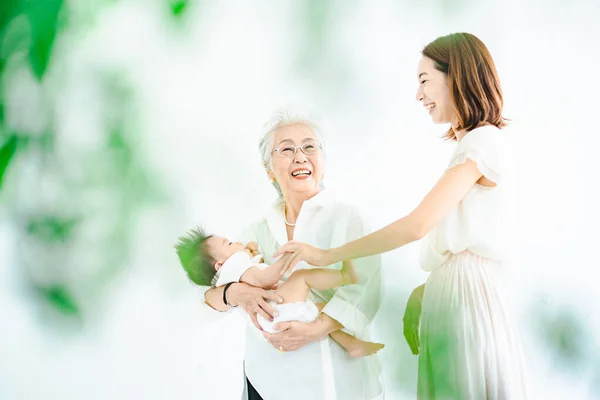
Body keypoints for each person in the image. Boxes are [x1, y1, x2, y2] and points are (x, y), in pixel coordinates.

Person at [274, 33, 528, 399]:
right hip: (453, 293)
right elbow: (467, 234)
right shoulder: (473, 145)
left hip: (466, 297)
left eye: (424, 80)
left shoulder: (481, 143)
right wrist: (426, 288)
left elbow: (417, 225)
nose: (418, 95)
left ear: (455, 74)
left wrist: (330, 255)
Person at [202, 109, 384, 400]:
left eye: (310, 147)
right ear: (269, 169)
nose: (300, 156)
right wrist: (236, 293)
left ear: (322, 160)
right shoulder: (254, 230)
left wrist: (315, 329)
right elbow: (209, 295)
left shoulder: (348, 218)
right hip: (267, 382)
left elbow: (367, 289)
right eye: (287, 149)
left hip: (339, 381)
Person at [174, 228, 384, 357]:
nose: (236, 242)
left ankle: (352, 344)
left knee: (324, 310)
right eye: (229, 243)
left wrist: (248, 251)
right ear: (220, 265)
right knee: (301, 278)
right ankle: (347, 276)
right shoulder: (236, 266)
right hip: (277, 310)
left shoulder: (231, 272)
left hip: (276, 319)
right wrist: (290, 257)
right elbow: (266, 278)